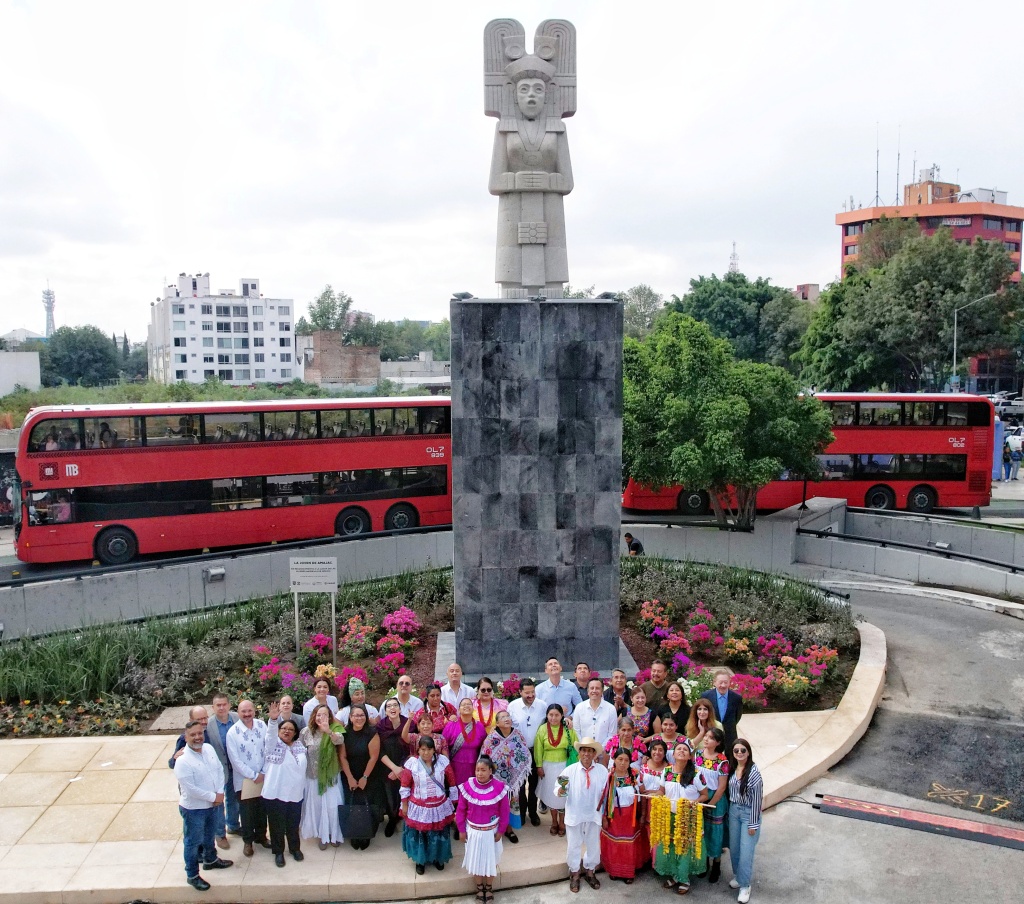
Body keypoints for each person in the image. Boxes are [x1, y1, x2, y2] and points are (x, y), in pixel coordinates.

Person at [174, 718, 233, 891]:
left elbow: (219, 770)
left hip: (213, 804)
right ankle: (192, 875)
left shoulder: (208, 748)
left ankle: (211, 860)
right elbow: (191, 789)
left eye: (200, 733)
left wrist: (220, 792)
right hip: (194, 810)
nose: (198, 737)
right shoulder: (182, 761)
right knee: (193, 843)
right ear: (186, 738)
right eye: (193, 735)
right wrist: (213, 796)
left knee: (209, 836)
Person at [168, 706, 232, 853]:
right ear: (191, 721)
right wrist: (174, 758)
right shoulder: (185, 738)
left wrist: (218, 791)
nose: (203, 722)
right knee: (195, 828)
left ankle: (216, 841)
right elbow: (173, 763)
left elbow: (216, 765)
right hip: (195, 789)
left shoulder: (209, 732)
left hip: (213, 785)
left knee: (215, 813)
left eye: (205, 718)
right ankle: (198, 854)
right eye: (199, 719)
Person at [652, 741, 710, 895]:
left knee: (684, 848)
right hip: (670, 816)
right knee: (670, 846)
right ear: (673, 754)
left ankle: (684, 878)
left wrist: (692, 804)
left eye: (685, 749)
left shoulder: (697, 774)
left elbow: (705, 795)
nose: (682, 751)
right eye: (679, 749)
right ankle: (675, 875)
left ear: (690, 755)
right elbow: (661, 790)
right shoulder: (667, 772)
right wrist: (657, 798)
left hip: (688, 818)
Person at [456, 755, 510, 904]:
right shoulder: (468, 786)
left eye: (483, 770)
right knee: (476, 861)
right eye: (477, 770)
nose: (479, 773)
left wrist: (501, 830)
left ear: (490, 771)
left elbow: (505, 811)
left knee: (491, 861)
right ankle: (479, 888)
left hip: (492, 833)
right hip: (473, 832)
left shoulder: (499, 788)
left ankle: (489, 887)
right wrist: (461, 829)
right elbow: (461, 810)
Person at [401, 737, 458, 875]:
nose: (426, 753)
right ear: (418, 750)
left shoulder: (442, 761)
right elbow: (405, 785)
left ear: (434, 750)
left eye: (429, 749)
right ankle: (420, 861)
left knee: (438, 832)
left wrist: (453, 802)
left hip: (439, 806)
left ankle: (438, 858)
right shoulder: (412, 764)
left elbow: (451, 781)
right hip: (418, 806)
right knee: (421, 833)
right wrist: (404, 804)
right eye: (423, 749)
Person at [559, 736, 608, 893]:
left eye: (590, 751)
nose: (586, 754)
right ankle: (574, 873)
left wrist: (605, 814)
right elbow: (559, 789)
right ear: (579, 752)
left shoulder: (602, 771)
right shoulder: (569, 770)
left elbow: (606, 794)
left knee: (593, 844)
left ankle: (590, 871)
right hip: (575, 814)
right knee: (574, 845)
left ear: (594, 754)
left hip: (594, 815)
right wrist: (560, 790)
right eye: (583, 750)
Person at [295, 703, 345, 850]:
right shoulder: (306, 732)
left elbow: (340, 740)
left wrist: (328, 731)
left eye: (325, 715)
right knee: (317, 808)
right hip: (313, 777)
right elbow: (298, 751)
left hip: (331, 778)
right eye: (318, 715)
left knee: (332, 807)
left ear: (330, 717)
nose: (321, 717)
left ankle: (333, 834)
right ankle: (322, 836)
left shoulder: (335, 730)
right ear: (313, 716)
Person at [481, 711, 533, 843]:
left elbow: (524, 753)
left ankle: (509, 829)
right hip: (495, 778)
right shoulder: (492, 738)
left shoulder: (517, 735)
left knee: (510, 803)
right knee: (495, 804)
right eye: (503, 717)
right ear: (497, 723)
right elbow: (485, 757)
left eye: (508, 716)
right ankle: (494, 830)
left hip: (512, 778)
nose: (506, 719)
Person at [261, 716, 307, 867]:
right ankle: (278, 852)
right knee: (277, 825)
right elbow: (270, 735)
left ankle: (295, 849)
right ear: (278, 731)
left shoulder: (300, 747)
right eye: (284, 728)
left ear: (295, 733)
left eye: (291, 729)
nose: (287, 731)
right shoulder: (273, 744)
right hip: (276, 792)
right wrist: (273, 720)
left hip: (295, 792)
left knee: (293, 824)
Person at [226, 699, 269, 857]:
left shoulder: (261, 725)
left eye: (249, 711)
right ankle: (248, 842)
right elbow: (235, 760)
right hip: (245, 781)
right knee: (247, 812)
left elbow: (268, 749)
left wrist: (263, 772)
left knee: (262, 809)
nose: (247, 714)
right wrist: (253, 775)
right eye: (243, 711)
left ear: (254, 711)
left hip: (263, 776)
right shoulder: (233, 733)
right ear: (238, 712)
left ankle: (261, 837)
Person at [340, 703, 386, 849]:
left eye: (362, 715)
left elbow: (373, 757)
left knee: (367, 804)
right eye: (356, 715)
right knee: (352, 804)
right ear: (350, 717)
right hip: (350, 774)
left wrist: (364, 777)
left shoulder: (372, 733)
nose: (359, 718)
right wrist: (350, 777)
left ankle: (366, 834)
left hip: (369, 775)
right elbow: (343, 757)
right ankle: (354, 833)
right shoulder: (344, 733)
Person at [600, 748, 649, 883]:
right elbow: (604, 797)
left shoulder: (634, 775)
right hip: (613, 816)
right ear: (614, 760)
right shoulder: (609, 776)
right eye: (620, 759)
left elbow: (643, 795)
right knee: (614, 842)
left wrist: (643, 815)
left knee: (629, 844)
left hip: (631, 816)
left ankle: (628, 872)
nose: (623, 763)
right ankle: (614, 870)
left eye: (626, 760)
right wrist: (604, 817)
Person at [506, 677, 548, 827]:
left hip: (536, 750)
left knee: (534, 784)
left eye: (533, 692)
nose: (530, 696)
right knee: (521, 785)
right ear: (520, 692)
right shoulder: (512, 706)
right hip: (519, 752)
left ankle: (533, 812)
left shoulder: (542, 706)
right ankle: (522, 813)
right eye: (527, 693)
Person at [727, 738, 763, 904]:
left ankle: (745, 885)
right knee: (734, 848)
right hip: (734, 811)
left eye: (743, 750)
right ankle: (739, 877)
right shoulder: (734, 768)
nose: (739, 753)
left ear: (748, 752)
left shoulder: (754, 773)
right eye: (736, 751)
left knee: (746, 851)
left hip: (749, 813)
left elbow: (757, 800)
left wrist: (753, 824)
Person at [533, 702, 576, 837]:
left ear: (562, 716)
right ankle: (554, 822)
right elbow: (538, 748)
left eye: (557, 715)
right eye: (550, 715)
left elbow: (576, 746)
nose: (553, 718)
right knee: (552, 796)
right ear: (547, 716)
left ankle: (562, 822)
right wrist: (539, 766)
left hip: (564, 767)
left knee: (562, 795)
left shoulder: (568, 729)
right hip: (548, 767)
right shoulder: (543, 729)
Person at [694, 728, 730, 883]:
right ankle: (703, 863)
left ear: (718, 742)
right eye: (706, 736)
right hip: (700, 796)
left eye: (711, 737)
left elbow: (722, 786)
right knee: (700, 830)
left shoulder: (722, 761)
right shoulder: (697, 755)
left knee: (714, 832)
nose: (707, 739)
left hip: (715, 799)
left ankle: (716, 864)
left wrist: (711, 803)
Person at [206, 693, 240, 842]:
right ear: (213, 708)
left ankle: (233, 825)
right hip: (218, 769)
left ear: (229, 705)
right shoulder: (208, 725)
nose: (221, 708)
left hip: (237, 767)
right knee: (218, 801)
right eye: (218, 705)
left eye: (224, 704)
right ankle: (220, 834)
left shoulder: (237, 718)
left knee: (233, 799)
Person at [376, 697, 409, 838]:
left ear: (400, 709)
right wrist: (394, 768)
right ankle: (392, 819)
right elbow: (379, 750)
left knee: (405, 794)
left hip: (406, 767)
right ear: (385, 711)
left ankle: (404, 818)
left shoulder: (409, 724)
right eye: (389, 706)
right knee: (390, 796)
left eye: (395, 705)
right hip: (387, 767)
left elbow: (412, 749)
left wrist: (401, 768)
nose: (392, 708)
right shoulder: (381, 727)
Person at [442, 697, 489, 788]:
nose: (466, 706)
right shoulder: (451, 725)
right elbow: (443, 745)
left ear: (473, 708)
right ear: (459, 710)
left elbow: (485, 746)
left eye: (469, 704)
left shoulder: (479, 726)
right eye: (463, 704)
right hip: (455, 767)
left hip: (475, 767)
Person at [701, 669, 744, 751]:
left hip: (730, 736)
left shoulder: (736, 698)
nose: (723, 685)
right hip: (712, 735)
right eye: (720, 682)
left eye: (726, 682)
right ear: (714, 682)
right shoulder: (706, 696)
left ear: (729, 683)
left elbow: (737, 716)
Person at [571, 677, 619, 748]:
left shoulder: (610, 709)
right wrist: (585, 748)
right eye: (592, 688)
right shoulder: (579, 708)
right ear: (588, 691)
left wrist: (599, 749)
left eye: (597, 688)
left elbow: (611, 734)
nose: (594, 690)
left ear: (602, 691)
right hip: (583, 751)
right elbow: (576, 731)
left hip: (604, 752)